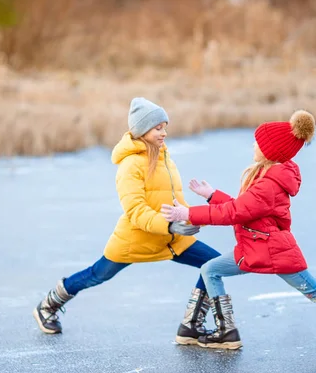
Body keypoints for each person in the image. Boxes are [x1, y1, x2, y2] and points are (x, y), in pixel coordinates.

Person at [161, 110, 316, 352]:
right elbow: (245, 208)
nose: (253, 146)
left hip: (273, 250)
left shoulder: (269, 184)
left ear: (270, 151)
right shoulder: (267, 176)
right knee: (210, 269)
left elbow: (236, 212)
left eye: (258, 143)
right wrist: (214, 196)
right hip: (254, 247)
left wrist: (188, 214)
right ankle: (226, 332)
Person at [33, 97, 221, 345]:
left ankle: (191, 326)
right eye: (158, 128)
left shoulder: (166, 158)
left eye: (165, 127)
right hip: (136, 240)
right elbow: (136, 210)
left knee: (214, 265)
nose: (164, 133)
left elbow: (179, 205)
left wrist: (198, 218)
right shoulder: (130, 165)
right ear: (143, 130)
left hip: (171, 239)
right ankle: (48, 305)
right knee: (96, 275)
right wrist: (170, 225)